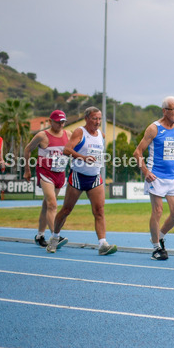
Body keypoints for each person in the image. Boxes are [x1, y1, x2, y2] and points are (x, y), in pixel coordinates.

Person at [47, 107, 117, 255]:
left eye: (99, 119)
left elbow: (98, 144)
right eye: (94, 118)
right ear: (86, 119)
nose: (97, 122)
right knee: (66, 210)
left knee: (99, 211)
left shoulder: (100, 135)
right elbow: (66, 150)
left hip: (95, 178)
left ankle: (103, 244)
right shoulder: (80, 132)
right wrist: (83, 158)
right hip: (78, 176)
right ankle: (54, 237)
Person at [134, 97, 174, 261]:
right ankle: (156, 248)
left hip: (172, 177)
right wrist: (145, 171)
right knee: (158, 211)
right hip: (155, 176)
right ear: (165, 111)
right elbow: (137, 152)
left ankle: (159, 236)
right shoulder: (154, 128)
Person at [23, 110, 70, 248]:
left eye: (63, 122)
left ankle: (39, 235)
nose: (61, 124)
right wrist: (27, 169)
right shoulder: (42, 136)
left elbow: (80, 143)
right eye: (58, 122)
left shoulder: (68, 134)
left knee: (47, 205)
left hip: (60, 173)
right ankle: (56, 236)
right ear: (50, 122)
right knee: (52, 205)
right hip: (45, 173)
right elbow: (27, 149)